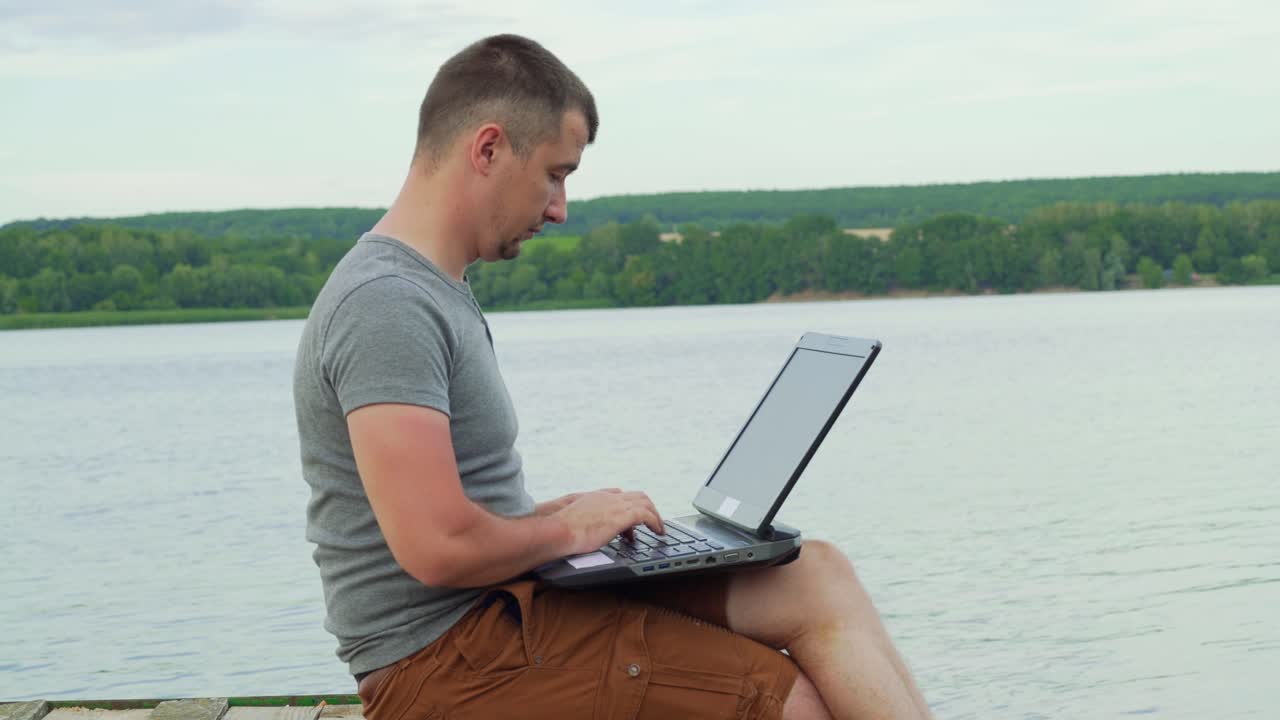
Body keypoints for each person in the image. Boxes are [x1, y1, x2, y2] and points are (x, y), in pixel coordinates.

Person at [293, 33, 932, 720]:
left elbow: (449, 514)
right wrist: (569, 534)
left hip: (502, 612)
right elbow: (437, 547)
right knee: (783, 703)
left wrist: (558, 516)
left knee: (815, 577)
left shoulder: (430, 287)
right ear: (488, 149)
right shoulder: (386, 303)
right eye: (554, 173)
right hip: (445, 663)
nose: (560, 207)